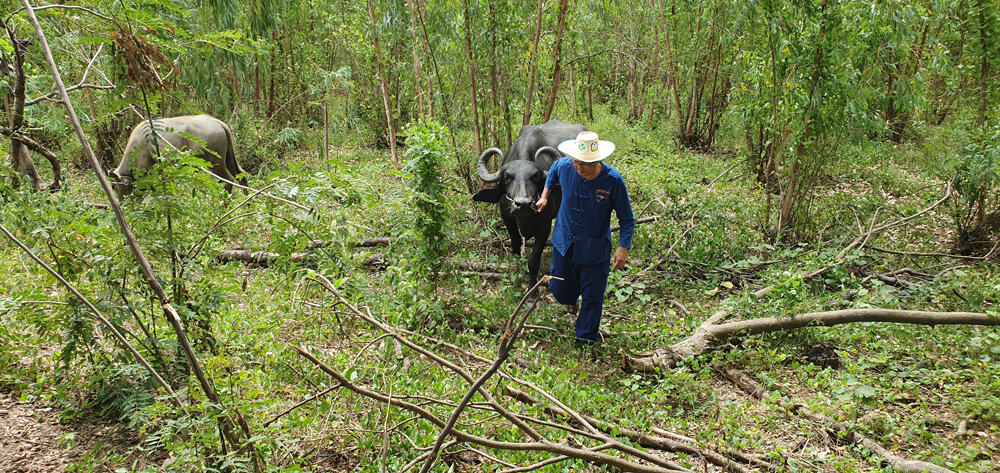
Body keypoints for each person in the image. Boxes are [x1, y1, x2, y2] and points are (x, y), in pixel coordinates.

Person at [534, 131, 635, 344]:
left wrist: (622, 247)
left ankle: (585, 340)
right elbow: (552, 172)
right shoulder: (564, 167)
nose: (579, 167)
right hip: (565, 243)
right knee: (560, 290)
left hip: (594, 248)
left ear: (598, 160)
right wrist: (545, 196)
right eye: (576, 162)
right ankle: (571, 299)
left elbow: (627, 218)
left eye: (585, 164)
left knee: (592, 297)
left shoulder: (613, 181)